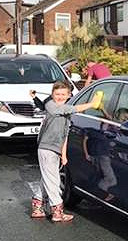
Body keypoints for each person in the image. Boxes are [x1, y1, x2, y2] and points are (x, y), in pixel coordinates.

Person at [31, 80, 102, 222]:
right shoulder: (51, 106)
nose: (60, 97)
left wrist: (64, 155)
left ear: (69, 95)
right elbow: (64, 110)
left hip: (56, 150)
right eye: (57, 94)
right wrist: (91, 105)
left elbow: (65, 135)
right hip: (46, 148)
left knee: (47, 178)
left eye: (63, 94)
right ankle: (57, 212)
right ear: (52, 94)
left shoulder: (66, 111)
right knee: (53, 181)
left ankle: (37, 207)